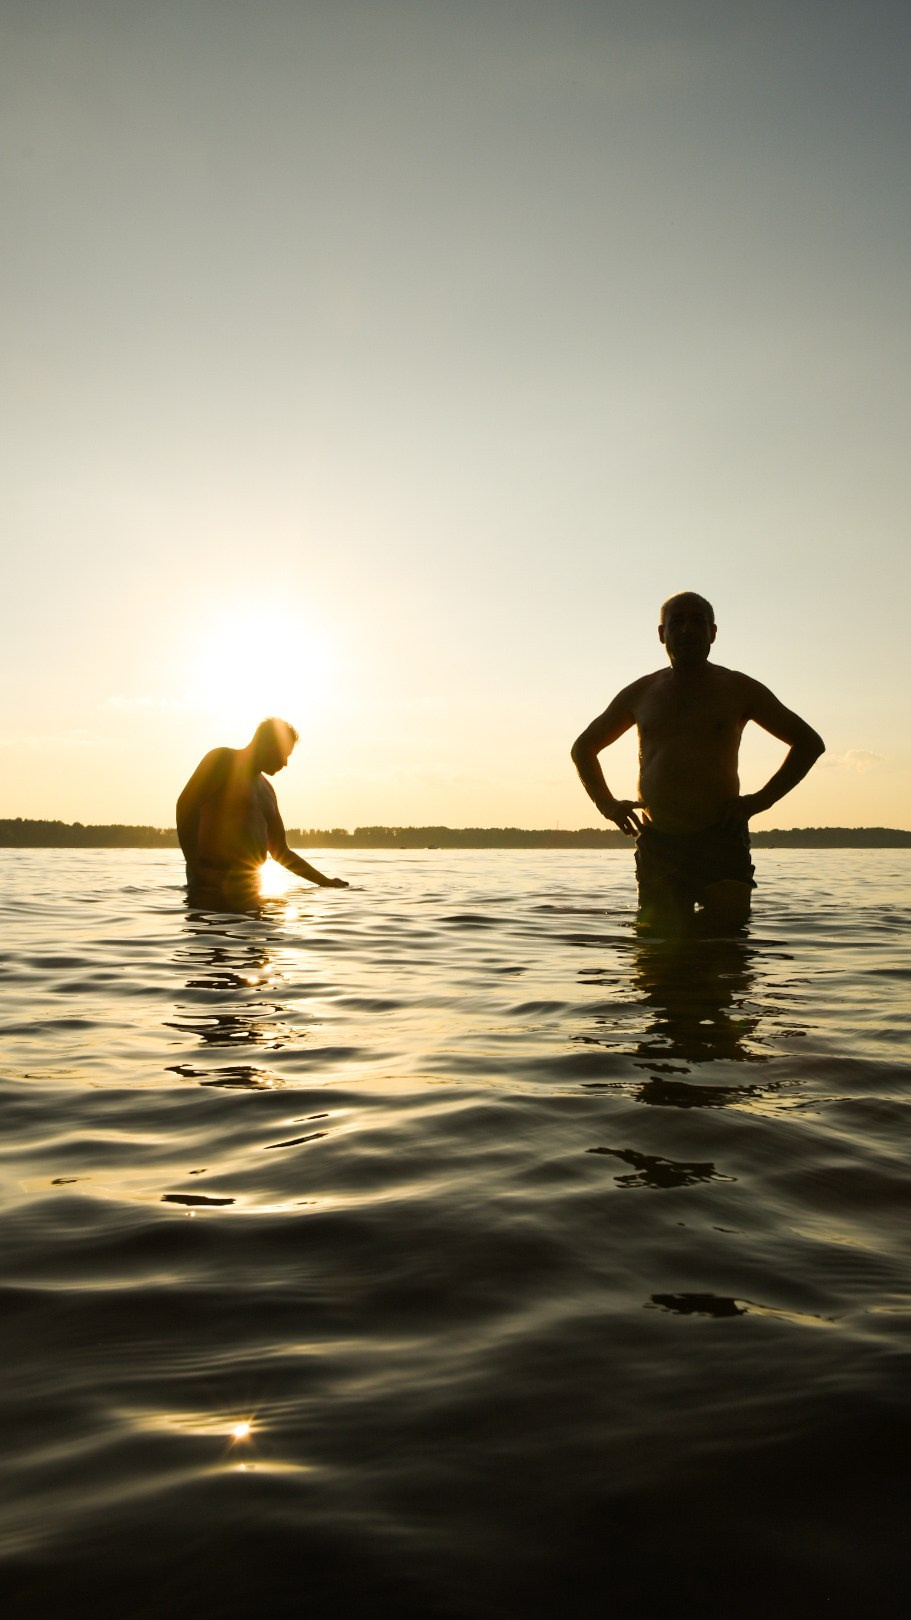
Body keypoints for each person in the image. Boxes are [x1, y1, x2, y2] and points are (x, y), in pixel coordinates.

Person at [571, 592, 824, 928]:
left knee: (728, 950)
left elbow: (809, 743)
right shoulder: (641, 692)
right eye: (677, 622)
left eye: (697, 621)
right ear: (662, 633)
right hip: (660, 841)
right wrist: (607, 805)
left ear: (713, 632)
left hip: (720, 837)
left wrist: (758, 802)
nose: (687, 629)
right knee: (657, 957)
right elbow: (583, 748)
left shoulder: (738, 688)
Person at [176, 716, 348, 908]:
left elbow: (280, 851)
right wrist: (195, 867)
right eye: (283, 754)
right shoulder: (222, 760)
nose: (285, 763)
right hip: (210, 887)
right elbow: (185, 806)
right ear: (266, 744)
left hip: (250, 890)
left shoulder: (267, 790)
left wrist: (326, 883)